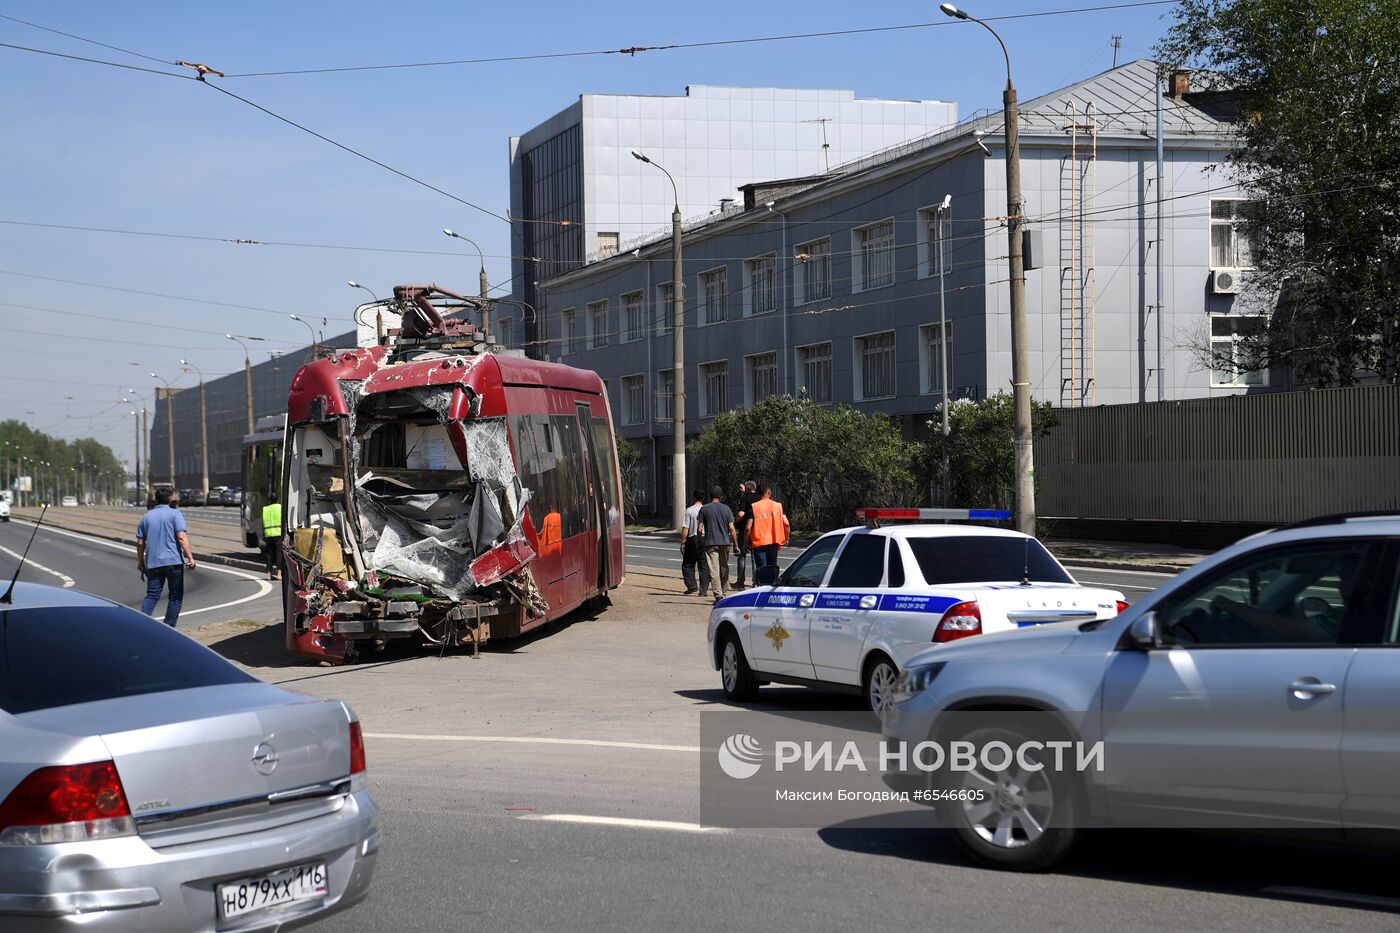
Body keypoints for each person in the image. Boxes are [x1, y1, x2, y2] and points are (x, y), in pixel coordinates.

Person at [135, 486, 197, 627]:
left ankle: (142, 625)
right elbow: (181, 537)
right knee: (175, 597)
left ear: (155, 499)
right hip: (173, 562)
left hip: (154, 563)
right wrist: (190, 558)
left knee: (152, 595)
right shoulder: (175, 514)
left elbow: (140, 543)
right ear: (170, 499)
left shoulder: (147, 517)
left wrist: (141, 562)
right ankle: (168, 628)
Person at [698, 485, 737, 601]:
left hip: (710, 543)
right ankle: (725, 591)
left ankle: (718, 593)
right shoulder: (727, 509)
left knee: (714, 570)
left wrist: (700, 541)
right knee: (724, 568)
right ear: (721, 496)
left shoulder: (704, 509)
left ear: (710, 496)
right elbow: (731, 528)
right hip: (725, 543)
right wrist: (735, 544)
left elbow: (700, 529)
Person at [747, 483, 790, 574]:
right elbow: (786, 524)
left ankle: (763, 585)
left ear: (758, 494)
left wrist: (746, 542)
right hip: (774, 541)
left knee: (762, 569)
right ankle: (771, 584)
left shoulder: (754, 507)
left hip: (759, 542)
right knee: (772, 567)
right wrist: (786, 538)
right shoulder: (778, 506)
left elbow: (748, 527)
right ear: (769, 492)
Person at [680, 489, 709, 596]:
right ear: (703, 498)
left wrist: (683, 541)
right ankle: (704, 590)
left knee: (688, 564)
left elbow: (686, 528)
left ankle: (691, 585)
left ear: (693, 497)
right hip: (705, 539)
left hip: (692, 539)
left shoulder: (689, 510)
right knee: (704, 565)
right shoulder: (706, 509)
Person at [733, 480, 759, 590]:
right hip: (757, 530)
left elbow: (740, 514)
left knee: (742, 555)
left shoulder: (745, 498)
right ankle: (755, 583)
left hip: (745, 529)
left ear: (746, 488)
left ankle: (740, 582)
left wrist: (737, 520)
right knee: (755, 558)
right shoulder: (759, 498)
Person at [261, 494, 283, 581]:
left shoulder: (265, 509)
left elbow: (263, 523)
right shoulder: (280, 507)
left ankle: (269, 575)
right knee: (278, 554)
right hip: (278, 534)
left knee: (269, 555)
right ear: (277, 499)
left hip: (268, 534)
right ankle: (279, 574)